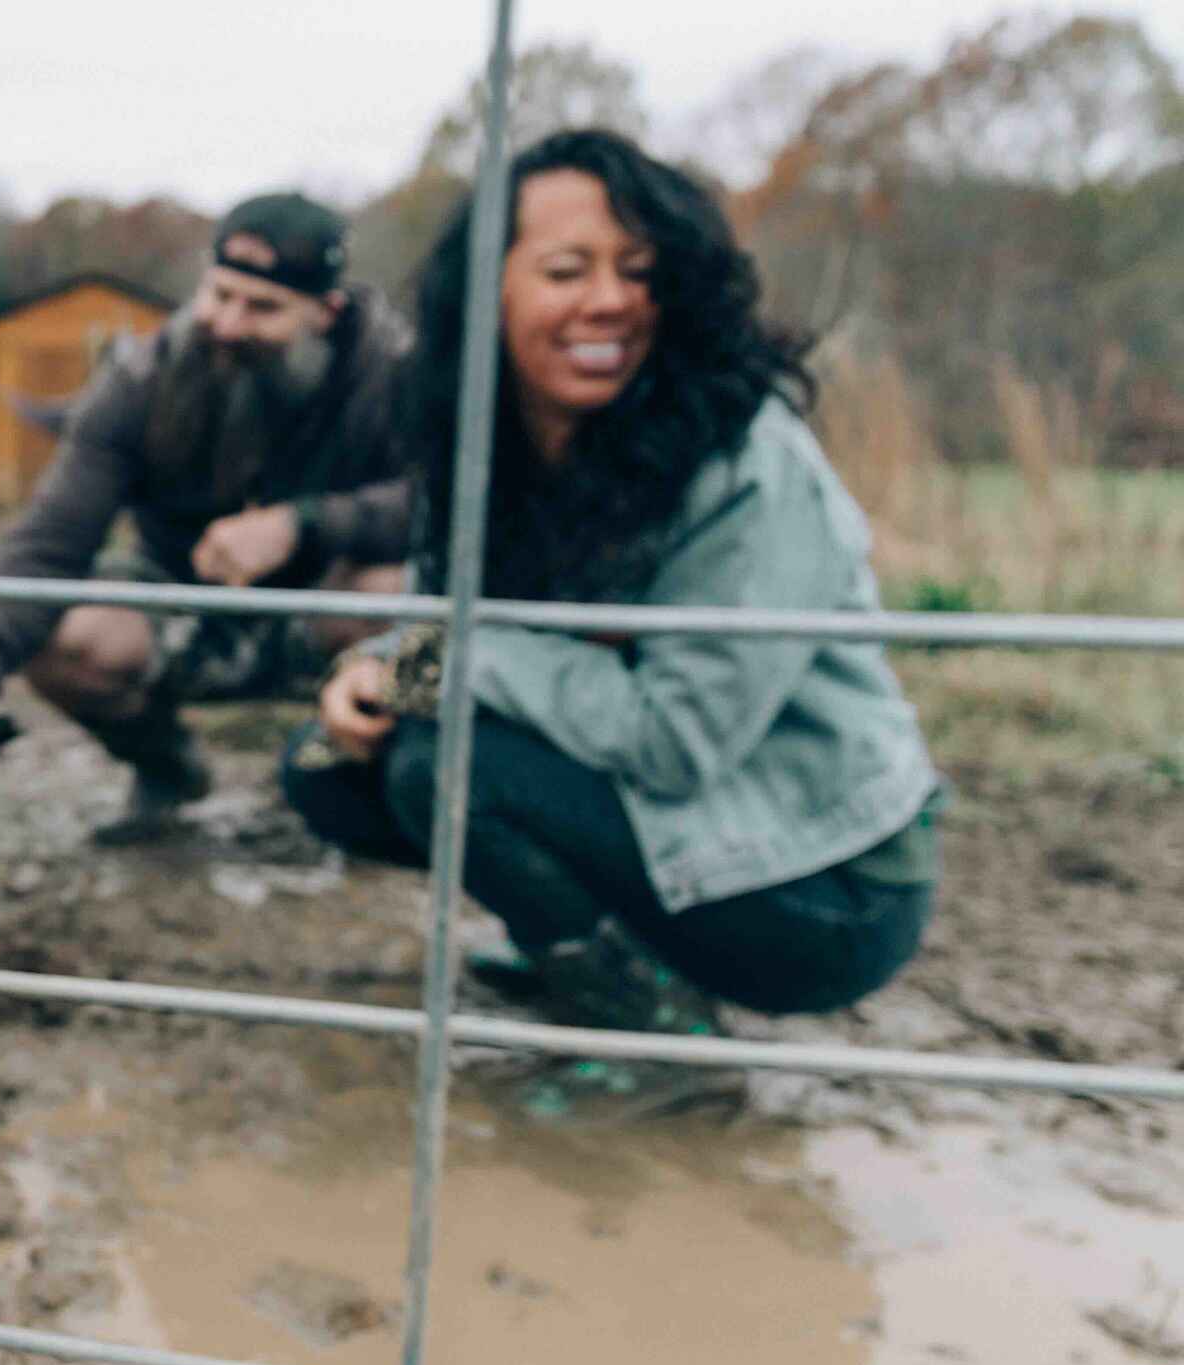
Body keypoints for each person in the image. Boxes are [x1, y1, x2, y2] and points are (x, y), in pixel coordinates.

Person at [278, 129, 943, 1117]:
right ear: (487, 294)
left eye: (639, 271)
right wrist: (376, 672)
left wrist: (441, 663)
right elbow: (457, 635)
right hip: (680, 821)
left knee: (447, 768)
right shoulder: (480, 444)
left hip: (825, 881)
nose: (610, 300)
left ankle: (661, 1043)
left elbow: (674, 739)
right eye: (564, 269)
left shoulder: (746, 455)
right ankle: (585, 953)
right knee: (331, 765)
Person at [0, 193, 416, 845]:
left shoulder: (395, 376)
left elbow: (440, 509)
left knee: (406, 600)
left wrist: (304, 524)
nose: (227, 323)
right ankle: (170, 771)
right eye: (219, 294)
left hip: (328, 610)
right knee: (64, 636)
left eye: (263, 308)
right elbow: (53, 537)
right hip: (186, 606)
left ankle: (352, 790)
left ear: (327, 314)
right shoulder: (142, 379)